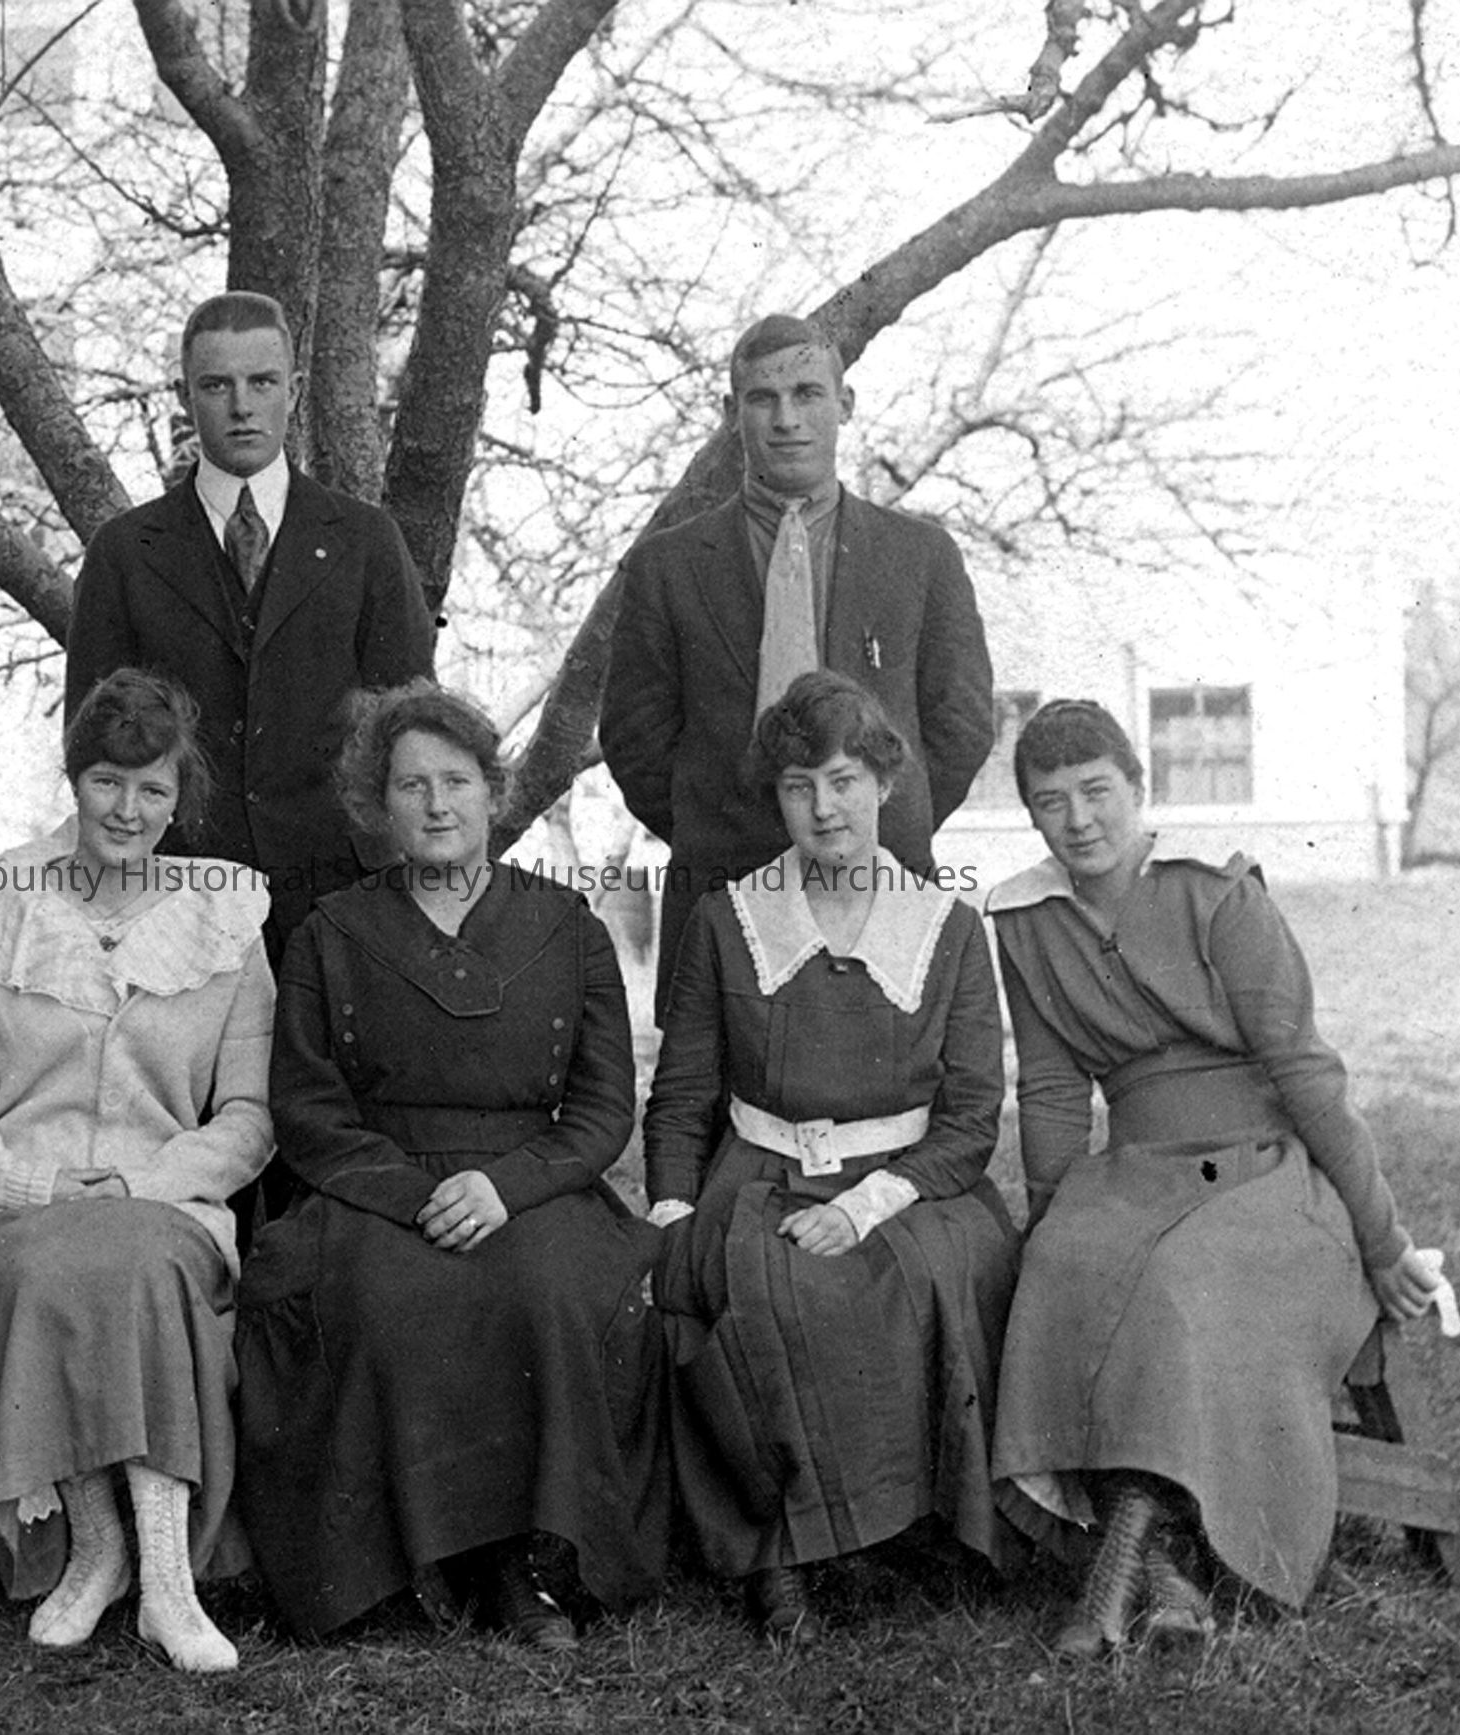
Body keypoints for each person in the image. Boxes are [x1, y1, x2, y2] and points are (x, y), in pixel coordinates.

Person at [986, 699, 1444, 1656]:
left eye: (1096, 792)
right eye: (1051, 802)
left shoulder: (1217, 894)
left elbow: (1305, 1071)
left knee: (1183, 1276)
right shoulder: (1025, 920)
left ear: (1139, 787)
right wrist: (1052, 1218)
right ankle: (1166, 1571)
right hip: (1137, 1169)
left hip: (1268, 1173)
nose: (1079, 820)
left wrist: (1383, 1236)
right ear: (1030, 815)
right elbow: (1056, 1089)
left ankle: (1120, 1565)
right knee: (1062, 1262)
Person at [235, 681, 667, 1649]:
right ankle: (395, 1564)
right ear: (377, 806)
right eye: (411, 785)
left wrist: (505, 1187)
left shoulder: (569, 926)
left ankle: (518, 1566)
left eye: (457, 781)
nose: (436, 805)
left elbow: (604, 1106)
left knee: (546, 1290)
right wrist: (414, 1193)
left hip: (530, 1179)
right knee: (383, 1297)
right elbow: (307, 1109)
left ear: (492, 792)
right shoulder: (330, 933)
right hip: (380, 1185)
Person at [640, 670, 1019, 1640]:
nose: (824, 808)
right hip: (761, 1170)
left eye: (845, 780)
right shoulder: (729, 920)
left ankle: (914, 1524)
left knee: (932, 1272)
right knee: (767, 1285)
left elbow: (972, 1116)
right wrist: (672, 1216)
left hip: (912, 1180)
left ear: (884, 783)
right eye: (799, 785)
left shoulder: (946, 927)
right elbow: (680, 1098)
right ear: (776, 797)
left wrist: (864, 1205)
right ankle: (783, 1549)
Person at [0, 669, 273, 1673]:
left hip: (164, 1198)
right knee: (52, 1264)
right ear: (73, 779)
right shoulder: (0, 904)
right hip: (11, 1202)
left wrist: (147, 1184)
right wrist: (31, 1185)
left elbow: (249, 1115)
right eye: (107, 782)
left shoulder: (226, 914)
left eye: (152, 788)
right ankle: (96, 1550)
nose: (128, 809)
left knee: (135, 1261)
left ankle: (169, 1583)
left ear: (179, 798)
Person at [601, 313, 994, 1019]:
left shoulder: (920, 557)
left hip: (883, 891)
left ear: (845, 404)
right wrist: (725, 823)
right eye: (763, 398)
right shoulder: (667, 566)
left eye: (808, 394)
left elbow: (961, 725)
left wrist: (872, 819)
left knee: (892, 1075)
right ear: (732, 414)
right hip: (723, 891)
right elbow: (634, 742)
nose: (787, 420)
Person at [65, 291, 437, 962]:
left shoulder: (365, 541)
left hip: (341, 897)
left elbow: (410, 729)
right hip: (175, 896)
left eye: (262, 382)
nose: (242, 406)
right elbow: (93, 741)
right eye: (217, 385)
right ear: (184, 397)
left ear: (294, 390)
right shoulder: (126, 551)